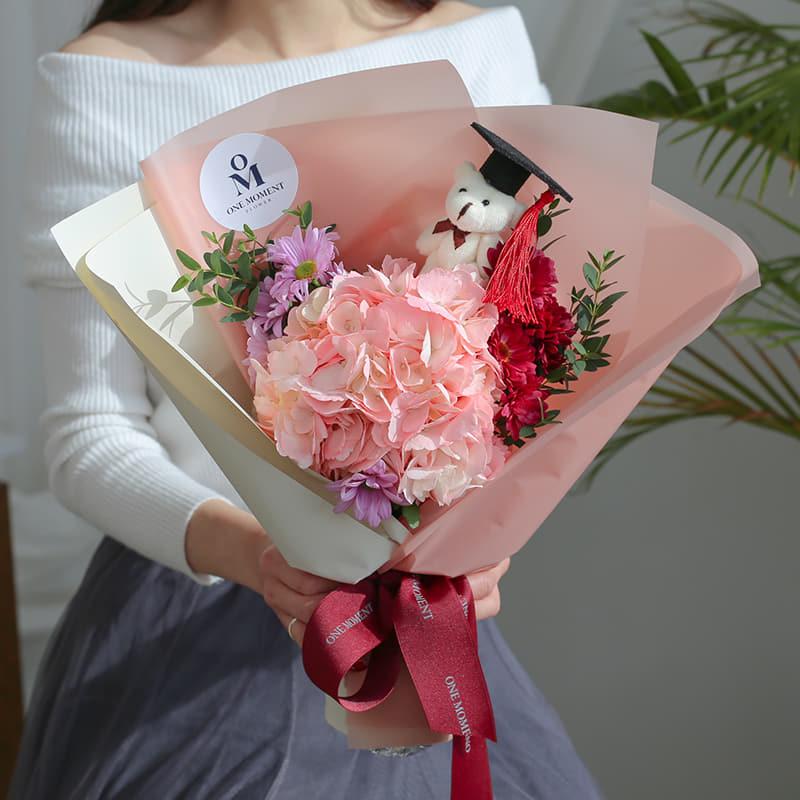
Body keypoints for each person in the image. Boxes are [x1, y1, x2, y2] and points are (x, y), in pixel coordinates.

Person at [10, 1, 604, 797]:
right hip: (197, 609)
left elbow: (530, 353)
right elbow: (89, 433)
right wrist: (260, 556)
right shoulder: (103, 83)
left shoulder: (478, 45)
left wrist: (481, 540)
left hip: (426, 608)